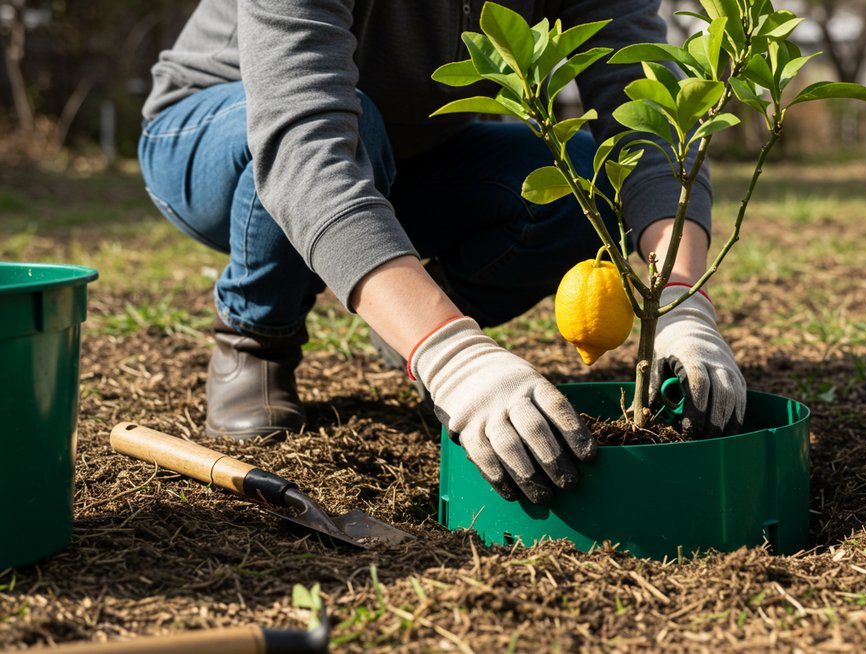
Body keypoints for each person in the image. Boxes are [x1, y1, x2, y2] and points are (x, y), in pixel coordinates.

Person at [137, 0, 746, 505]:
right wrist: (453, 355)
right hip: (219, 129)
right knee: (354, 130)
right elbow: (302, 143)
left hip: (410, 157)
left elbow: (645, 120)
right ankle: (257, 335)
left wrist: (680, 295)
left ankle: (405, 319)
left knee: (584, 178)